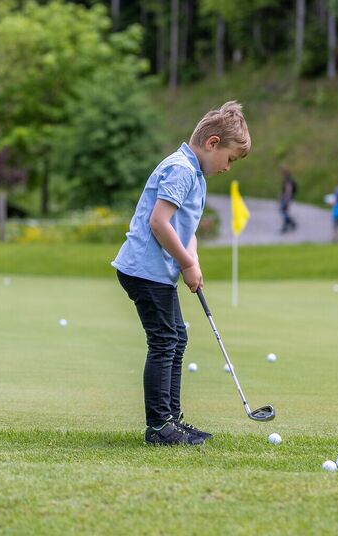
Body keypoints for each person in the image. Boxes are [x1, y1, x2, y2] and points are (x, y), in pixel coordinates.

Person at [112, 101, 251, 446]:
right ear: (213, 143)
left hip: (157, 271)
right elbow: (158, 222)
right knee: (164, 340)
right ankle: (160, 427)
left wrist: (194, 260)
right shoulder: (181, 170)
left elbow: (184, 228)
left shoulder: (195, 174)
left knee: (176, 337)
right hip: (145, 269)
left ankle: (171, 420)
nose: (228, 168)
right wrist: (186, 265)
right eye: (230, 159)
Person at [279, 166, 298, 233]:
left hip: (286, 197)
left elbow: (288, 190)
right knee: (284, 211)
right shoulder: (288, 178)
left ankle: (290, 224)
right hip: (287, 197)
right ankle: (290, 224)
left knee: (283, 211)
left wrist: (287, 199)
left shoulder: (287, 179)